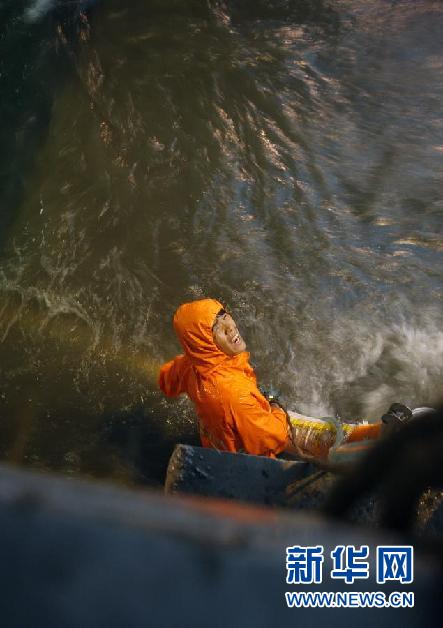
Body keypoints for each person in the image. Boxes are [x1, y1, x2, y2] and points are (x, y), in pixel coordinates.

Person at [159, 298, 401, 460]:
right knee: (311, 434)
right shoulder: (234, 395)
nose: (230, 328)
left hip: (218, 447)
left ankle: (376, 436)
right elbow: (274, 437)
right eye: (215, 329)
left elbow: (166, 381)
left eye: (224, 316)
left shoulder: (192, 363)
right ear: (203, 343)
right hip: (246, 458)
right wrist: (274, 406)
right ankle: (380, 436)